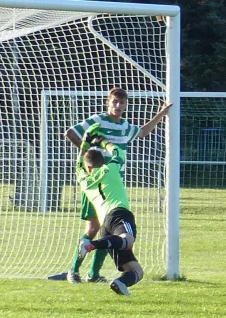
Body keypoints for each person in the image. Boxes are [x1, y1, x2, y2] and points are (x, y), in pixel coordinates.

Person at [64, 88, 172, 284]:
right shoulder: (98, 120)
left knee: (109, 228)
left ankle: (94, 275)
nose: (118, 106)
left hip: (113, 182)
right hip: (96, 181)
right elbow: (70, 133)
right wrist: (87, 151)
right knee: (92, 228)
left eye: (122, 103)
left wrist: (162, 113)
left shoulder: (125, 127)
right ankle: (73, 271)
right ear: (108, 102)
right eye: (114, 102)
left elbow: (143, 131)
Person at [76, 129, 146, 296]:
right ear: (103, 161)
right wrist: (101, 140)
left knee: (136, 271)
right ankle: (90, 245)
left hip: (105, 227)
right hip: (119, 214)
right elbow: (118, 151)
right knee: (127, 240)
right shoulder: (111, 169)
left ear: (89, 167)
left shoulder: (84, 180)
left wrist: (84, 143)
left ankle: (120, 283)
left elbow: (79, 164)